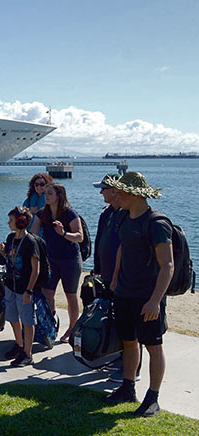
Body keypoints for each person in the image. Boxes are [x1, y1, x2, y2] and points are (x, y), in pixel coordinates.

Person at [102, 172, 172, 418]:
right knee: (128, 342)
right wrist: (115, 278)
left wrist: (154, 301)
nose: (116, 196)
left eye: (120, 192)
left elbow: (168, 265)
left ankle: (152, 397)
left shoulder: (157, 223)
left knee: (154, 346)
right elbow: (123, 247)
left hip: (147, 297)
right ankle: (128, 387)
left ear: (134, 194)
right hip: (124, 293)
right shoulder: (123, 217)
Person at [93, 173, 141, 383]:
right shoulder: (107, 213)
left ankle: (132, 367)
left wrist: (116, 275)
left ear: (115, 191)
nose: (101, 192)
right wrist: (97, 267)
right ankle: (119, 356)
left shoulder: (126, 215)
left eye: (104, 188)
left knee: (131, 325)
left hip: (122, 278)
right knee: (117, 319)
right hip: (107, 275)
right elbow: (100, 240)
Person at [30, 182, 84, 343]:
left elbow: (80, 237)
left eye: (50, 194)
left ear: (59, 196)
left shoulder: (70, 213)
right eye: (45, 193)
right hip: (51, 259)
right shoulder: (42, 213)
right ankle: (49, 324)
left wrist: (63, 233)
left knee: (71, 296)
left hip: (70, 260)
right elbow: (33, 234)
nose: (46, 196)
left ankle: (72, 329)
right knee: (47, 293)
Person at [0, 207, 40, 367]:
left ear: (21, 222)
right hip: (11, 285)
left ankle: (28, 353)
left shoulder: (30, 242)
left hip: (24, 288)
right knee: (13, 318)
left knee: (28, 320)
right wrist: (2, 253)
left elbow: (36, 270)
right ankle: (19, 345)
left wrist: (29, 290)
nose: (8, 223)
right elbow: (11, 260)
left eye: (11, 220)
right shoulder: (10, 238)